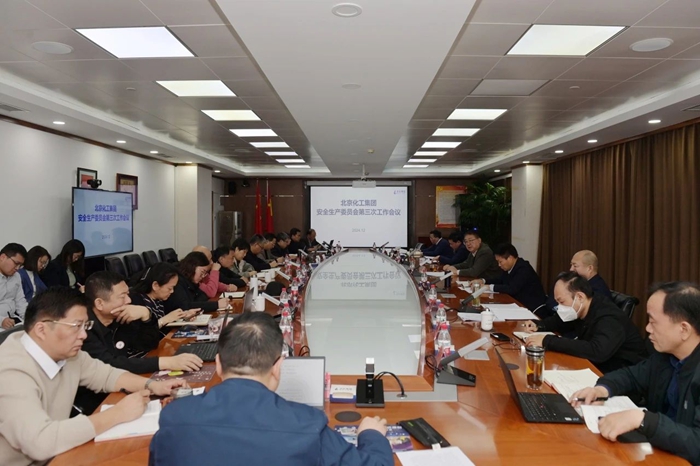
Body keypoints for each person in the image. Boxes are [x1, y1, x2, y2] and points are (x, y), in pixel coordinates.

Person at [149, 312, 393, 466]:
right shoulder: (307, 423)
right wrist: (371, 435)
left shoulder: (174, 416)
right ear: (278, 367)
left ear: (219, 364)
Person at [0, 287, 187, 466]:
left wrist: (153, 385)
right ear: (42, 330)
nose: (83, 335)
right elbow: (40, 442)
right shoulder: (10, 371)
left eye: (85, 325)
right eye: (76, 326)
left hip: (60, 452)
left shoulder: (68, 354)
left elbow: (107, 375)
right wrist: (118, 414)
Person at [571, 282, 700, 464]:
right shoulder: (665, 357)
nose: (647, 329)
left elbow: (696, 443)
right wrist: (602, 389)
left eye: (653, 322)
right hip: (658, 451)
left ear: (684, 329)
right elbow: (631, 376)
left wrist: (642, 420)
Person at [77, 272, 203, 414]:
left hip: (125, 386)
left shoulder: (121, 316)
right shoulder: (83, 329)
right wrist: (166, 362)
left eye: (128, 294)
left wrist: (146, 316)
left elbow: (148, 344)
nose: (129, 300)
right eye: (122, 296)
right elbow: (110, 365)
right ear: (100, 303)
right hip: (98, 402)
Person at [523, 271, 646, 373]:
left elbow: (597, 351)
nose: (560, 307)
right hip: (597, 366)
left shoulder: (608, 317)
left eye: (562, 302)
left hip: (623, 374)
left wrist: (547, 340)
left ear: (580, 297)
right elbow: (560, 321)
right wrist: (539, 325)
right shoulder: (582, 308)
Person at [471, 243, 548, 315]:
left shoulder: (523, 268)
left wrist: (488, 287)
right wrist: (483, 281)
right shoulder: (509, 267)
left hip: (533, 309)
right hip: (518, 305)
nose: (499, 265)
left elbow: (512, 288)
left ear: (510, 258)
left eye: (500, 262)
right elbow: (500, 280)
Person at [129, 263, 201, 335]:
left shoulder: (160, 299)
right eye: (169, 288)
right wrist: (164, 320)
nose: (172, 291)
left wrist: (182, 316)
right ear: (155, 286)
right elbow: (143, 336)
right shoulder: (137, 302)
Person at [547, 250, 613, 311]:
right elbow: (550, 302)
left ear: (589, 268)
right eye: (571, 265)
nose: (571, 269)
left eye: (575, 266)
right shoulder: (571, 282)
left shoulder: (599, 291)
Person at [163, 252, 229, 313]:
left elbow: (204, 296)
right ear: (192, 266)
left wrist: (195, 303)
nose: (202, 276)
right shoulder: (177, 281)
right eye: (202, 272)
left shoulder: (191, 281)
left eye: (205, 273)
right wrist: (216, 305)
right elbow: (185, 306)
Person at [0, 243, 28, 330]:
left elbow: (20, 301)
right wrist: (1, 321)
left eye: (20, 265)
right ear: (2, 257)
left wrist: (31, 316)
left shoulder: (16, 276)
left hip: (12, 320)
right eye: (16, 263)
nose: (17, 268)